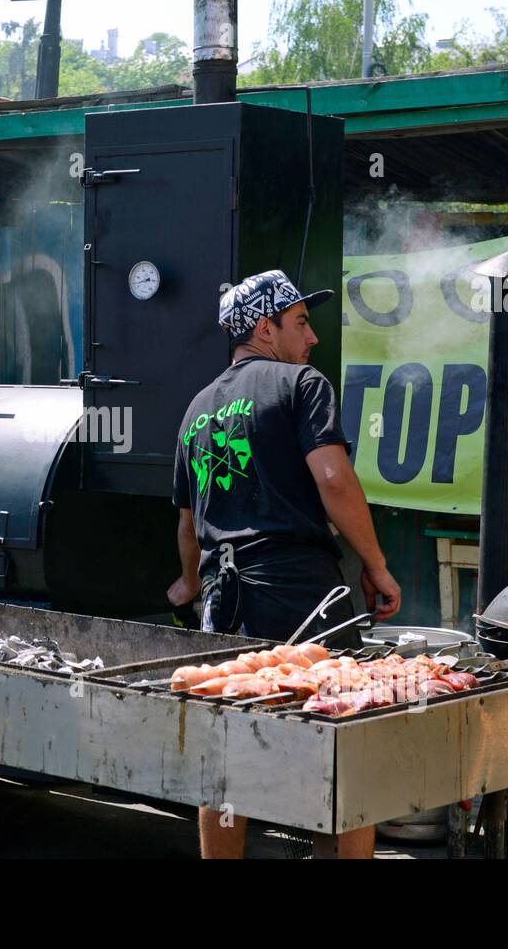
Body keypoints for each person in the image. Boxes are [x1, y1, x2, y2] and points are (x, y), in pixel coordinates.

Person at [167, 269, 402, 860]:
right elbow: (332, 476)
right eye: (301, 322)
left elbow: (190, 523)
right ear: (264, 327)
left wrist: (191, 584)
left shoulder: (197, 408)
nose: (313, 337)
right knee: (343, 738)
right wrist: (375, 564)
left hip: (225, 599)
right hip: (302, 586)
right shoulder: (303, 384)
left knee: (225, 751)